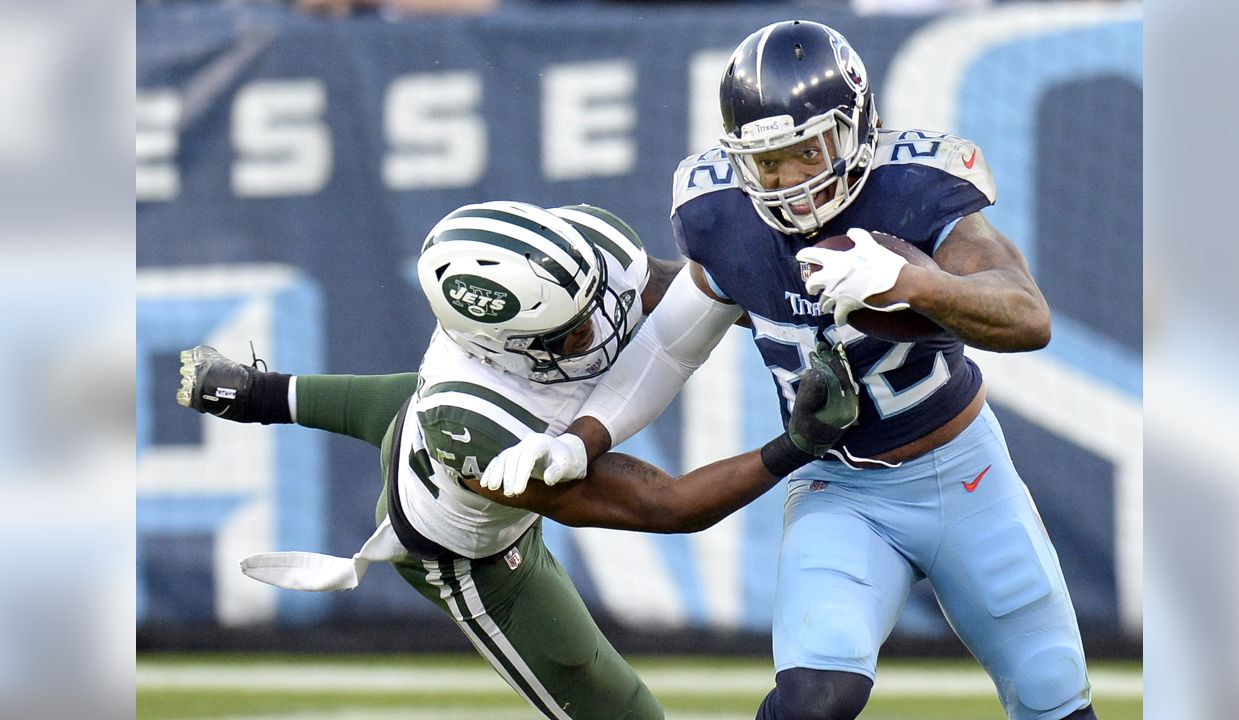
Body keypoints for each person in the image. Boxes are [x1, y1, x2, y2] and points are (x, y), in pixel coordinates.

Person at [482, 20, 1098, 720]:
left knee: (1052, 693)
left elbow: (1027, 316)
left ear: (860, 127)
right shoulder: (726, 218)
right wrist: (581, 439)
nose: (791, 182)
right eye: (769, 163)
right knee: (814, 698)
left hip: (967, 476)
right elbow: (668, 348)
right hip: (840, 488)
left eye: (808, 151)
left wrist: (914, 283)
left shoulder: (916, 191)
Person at [177, 200, 860, 720]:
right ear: (503, 347)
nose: (602, 328)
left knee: (396, 407)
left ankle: (254, 392)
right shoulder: (472, 417)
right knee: (619, 711)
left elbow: (692, 297)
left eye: (592, 304)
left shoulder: (586, 251)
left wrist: (797, 308)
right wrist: (794, 446)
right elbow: (662, 505)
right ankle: (257, 395)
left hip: (430, 422)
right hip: (466, 546)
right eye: (569, 335)